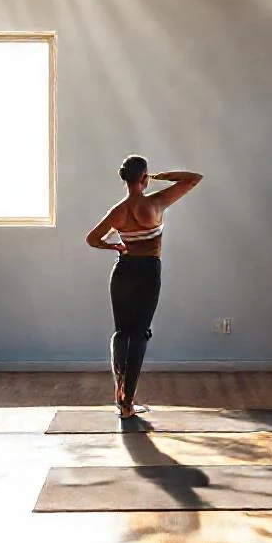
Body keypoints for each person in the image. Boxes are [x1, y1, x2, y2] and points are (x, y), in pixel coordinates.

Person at [85, 155, 202, 419]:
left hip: (123, 271)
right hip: (148, 271)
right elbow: (193, 178)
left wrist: (112, 245)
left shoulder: (118, 211)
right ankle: (128, 403)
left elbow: (92, 239)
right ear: (143, 178)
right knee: (139, 335)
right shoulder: (156, 203)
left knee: (121, 333)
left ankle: (121, 395)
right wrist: (159, 177)